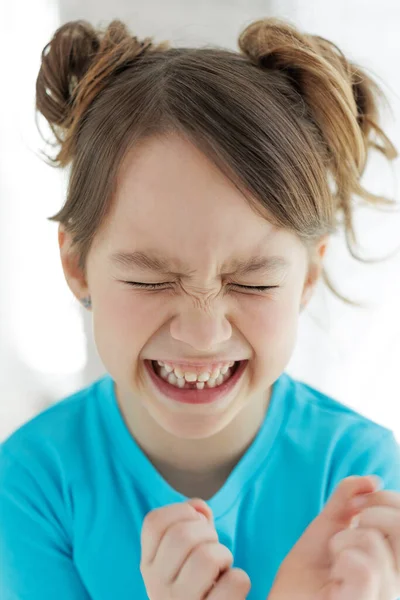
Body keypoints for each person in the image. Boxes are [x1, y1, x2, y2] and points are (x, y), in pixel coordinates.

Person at [1, 15, 400, 600]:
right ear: (78, 265)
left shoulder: (360, 477)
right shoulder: (32, 484)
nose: (202, 333)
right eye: (150, 280)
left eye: (254, 283)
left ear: (309, 273)